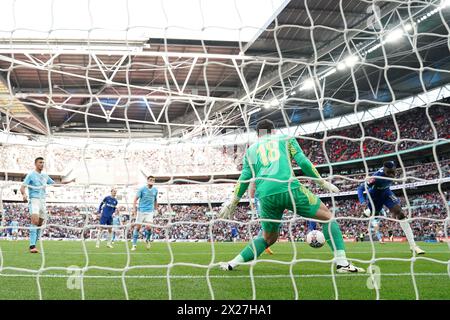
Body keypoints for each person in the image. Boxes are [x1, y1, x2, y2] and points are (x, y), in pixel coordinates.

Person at [219, 120, 364, 273]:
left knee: (268, 238)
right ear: (273, 131)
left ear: (257, 135)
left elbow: (245, 177)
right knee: (327, 217)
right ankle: (342, 264)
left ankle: (232, 263)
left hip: (265, 196)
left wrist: (234, 201)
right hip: (289, 187)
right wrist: (321, 182)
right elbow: (303, 161)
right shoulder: (286, 138)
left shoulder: (251, 150)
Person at [357, 161, 425, 254]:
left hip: (386, 193)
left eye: (393, 172)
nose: (391, 175)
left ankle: (413, 246)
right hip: (374, 197)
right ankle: (368, 211)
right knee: (375, 214)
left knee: (400, 214)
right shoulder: (376, 177)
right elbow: (360, 188)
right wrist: (362, 201)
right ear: (384, 170)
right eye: (388, 173)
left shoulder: (392, 167)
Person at [20, 157, 75, 253]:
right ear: (35, 164)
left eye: (43, 163)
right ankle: (32, 246)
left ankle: (34, 243)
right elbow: (22, 187)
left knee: (40, 223)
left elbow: (55, 184)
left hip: (43, 201)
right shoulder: (31, 175)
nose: (42, 164)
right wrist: (24, 195)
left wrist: (69, 182)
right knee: (34, 221)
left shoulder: (45, 176)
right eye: (40, 162)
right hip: (34, 200)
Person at [132, 176, 158, 251]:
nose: (152, 181)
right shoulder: (142, 189)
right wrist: (134, 209)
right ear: (147, 181)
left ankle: (147, 240)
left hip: (150, 211)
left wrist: (156, 209)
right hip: (141, 211)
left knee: (149, 227)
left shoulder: (155, 190)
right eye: (150, 180)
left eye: (153, 180)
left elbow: (155, 200)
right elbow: (135, 199)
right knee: (138, 227)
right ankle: (134, 245)